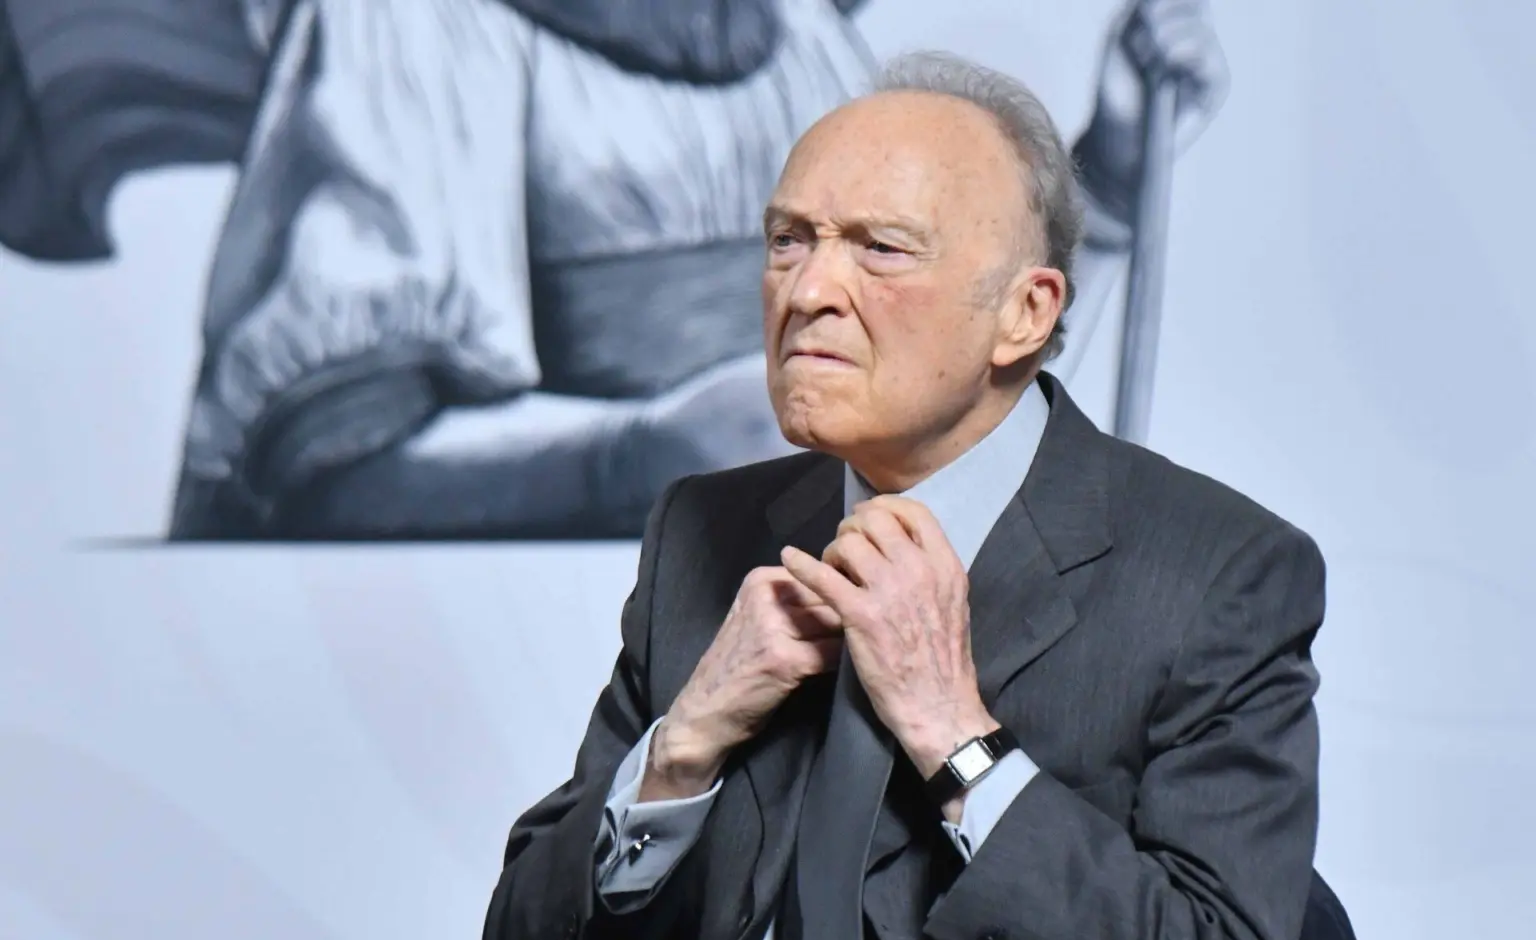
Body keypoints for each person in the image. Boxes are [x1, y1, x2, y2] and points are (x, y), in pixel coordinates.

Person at [480, 50, 1324, 940]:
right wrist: (683, 747)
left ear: (1026, 312)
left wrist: (956, 738)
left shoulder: (1220, 574)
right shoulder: (702, 532)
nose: (807, 291)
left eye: (880, 248)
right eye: (788, 240)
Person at [0, 0, 1228, 540]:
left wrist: (1114, 171)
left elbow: (949, 386)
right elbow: (327, 467)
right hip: (535, 699)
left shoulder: (795, 35)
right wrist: (643, 455)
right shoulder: (414, 23)